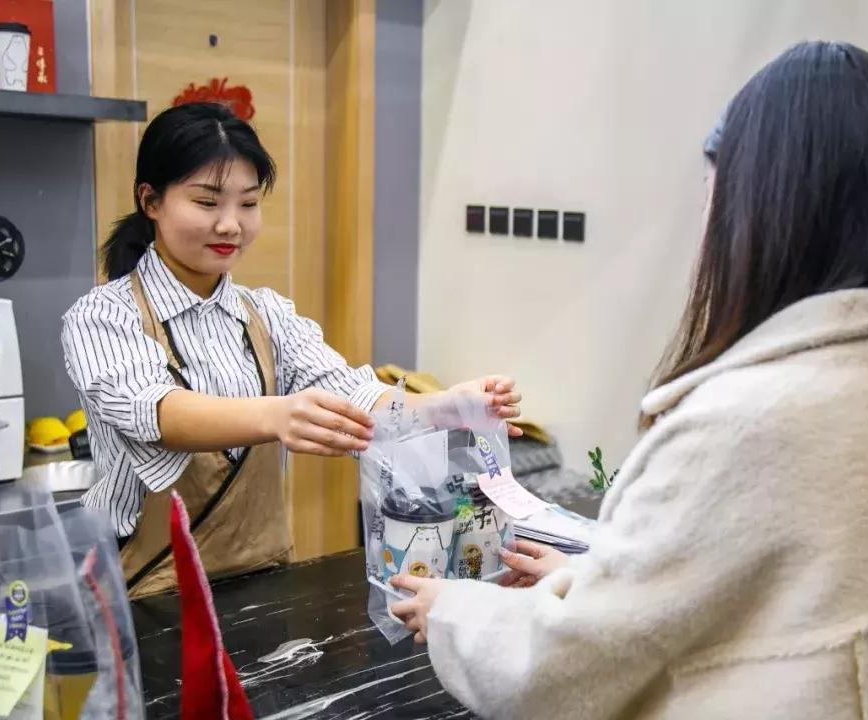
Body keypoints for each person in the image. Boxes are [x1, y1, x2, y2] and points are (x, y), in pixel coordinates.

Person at [389, 41, 868, 718]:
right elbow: (793, 596)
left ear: (762, 212)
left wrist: (457, 612)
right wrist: (594, 580)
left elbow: (557, 672)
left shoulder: (750, 418)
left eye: (715, 201)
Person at [61, 102, 522, 598]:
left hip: (263, 576)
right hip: (143, 586)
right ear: (150, 201)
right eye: (207, 202)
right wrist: (277, 415)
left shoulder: (267, 314)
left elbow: (354, 396)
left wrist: (445, 406)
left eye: (248, 203)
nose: (230, 225)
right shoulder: (102, 316)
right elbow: (157, 412)